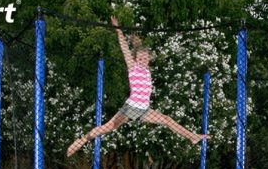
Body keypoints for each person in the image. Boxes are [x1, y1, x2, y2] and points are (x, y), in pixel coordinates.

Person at [67, 16, 208, 157]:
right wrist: (118, 30)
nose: (143, 61)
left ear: (149, 59)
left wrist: (136, 42)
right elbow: (124, 48)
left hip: (144, 109)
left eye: (145, 58)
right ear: (135, 59)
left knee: (166, 119)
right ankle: (81, 140)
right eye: (140, 58)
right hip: (132, 108)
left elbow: (140, 49)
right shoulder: (133, 67)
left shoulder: (147, 70)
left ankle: (192, 136)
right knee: (107, 127)